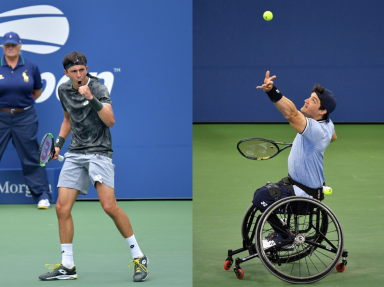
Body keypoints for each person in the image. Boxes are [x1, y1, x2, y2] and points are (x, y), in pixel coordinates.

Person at [38, 51, 148, 282]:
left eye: (82, 70)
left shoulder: (97, 88)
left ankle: (139, 256)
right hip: (76, 153)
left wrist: (90, 96)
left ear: (86, 69)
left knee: (109, 206)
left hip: (99, 152)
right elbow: (68, 121)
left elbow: (111, 121)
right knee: (61, 208)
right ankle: (68, 265)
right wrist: (58, 144)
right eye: (74, 72)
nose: (79, 75)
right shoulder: (63, 90)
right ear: (66, 73)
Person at [253, 71, 337, 249]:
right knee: (262, 194)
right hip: (303, 187)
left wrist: (271, 91)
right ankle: (283, 231)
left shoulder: (315, 130)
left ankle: (284, 236)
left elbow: (291, 113)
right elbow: (333, 137)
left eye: (313, 100)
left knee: (260, 196)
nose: (306, 100)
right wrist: (307, 148)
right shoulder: (328, 125)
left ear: (322, 111)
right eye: (310, 97)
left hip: (302, 195)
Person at [0, 32, 51, 209]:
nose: (11, 47)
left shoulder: (31, 66)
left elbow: (37, 91)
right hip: (1, 117)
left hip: (25, 116)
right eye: (7, 45)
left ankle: (42, 196)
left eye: (14, 44)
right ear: (3, 47)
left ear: (20, 45)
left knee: (31, 155)